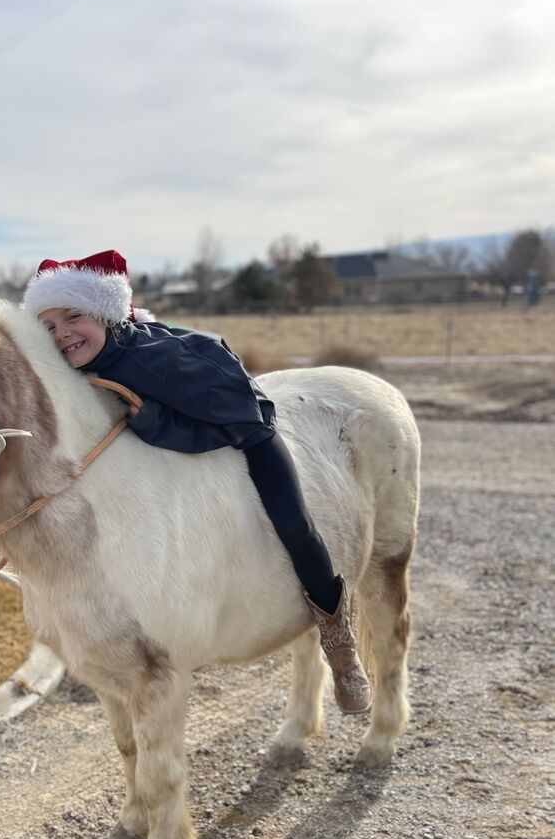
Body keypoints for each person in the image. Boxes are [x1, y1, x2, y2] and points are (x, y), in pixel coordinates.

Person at [23, 250, 371, 713]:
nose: (62, 332)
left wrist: (156, 424)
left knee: (296, 526)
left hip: (248, 436)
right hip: (173, 457)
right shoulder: (76, 371)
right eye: (48, 325)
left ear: (106, 313)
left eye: (74, 316)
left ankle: (339, 642)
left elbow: (237, 421)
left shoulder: (168, 359)